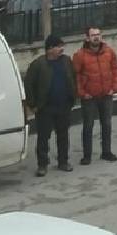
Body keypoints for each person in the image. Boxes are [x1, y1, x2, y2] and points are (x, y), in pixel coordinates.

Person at [23, 34, 77, 177]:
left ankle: (63, 161)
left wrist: (73, 97)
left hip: (63, 105)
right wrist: (32, 104)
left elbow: (73, 78)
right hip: (45, 108)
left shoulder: (66, 61)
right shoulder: (38, 64)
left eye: (62, 46)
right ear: (50, 49)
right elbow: (29, 85)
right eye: (59, 46)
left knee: (63, 135)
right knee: (43, 137)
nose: (62, 49)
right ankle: (42, 165)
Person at [72, 25, 117, 164]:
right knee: (88, 126)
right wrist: (82, 93)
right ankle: (87, 155)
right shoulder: (80, 55)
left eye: (98, 34)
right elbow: (76, 76)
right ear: (87, 38)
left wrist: (115, 87)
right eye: (93, 35)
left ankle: (106, 152)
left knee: (107, 124)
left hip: (106, 95)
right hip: (89, 97)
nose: (96, 37)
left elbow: (115, 70)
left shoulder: (109, 52)